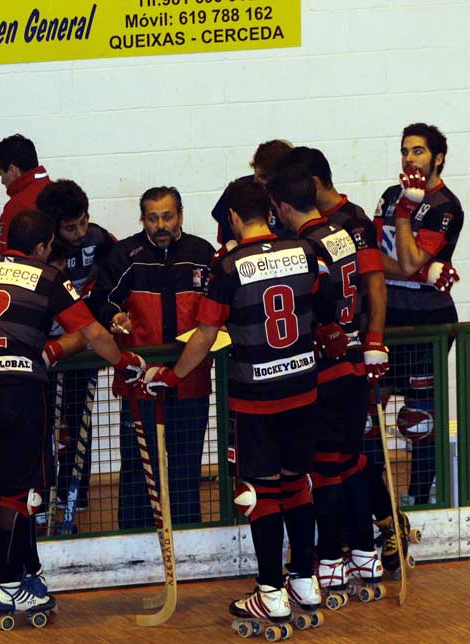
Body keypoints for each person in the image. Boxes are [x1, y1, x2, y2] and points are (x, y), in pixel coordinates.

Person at [142, 178, 340, 627]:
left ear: (232, 217)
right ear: (270, 209)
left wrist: (174, 376)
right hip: (304, 388)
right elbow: (329, 303)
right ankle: (304, 580)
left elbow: (207, 334)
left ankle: (270, 591)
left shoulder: (228, 266)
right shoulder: (306, 251)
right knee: (297, 482)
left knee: (259, 490)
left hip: (256, 396)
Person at [0, 209, 145, 622]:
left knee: (9, 490)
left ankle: (27, 574)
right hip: (19, 389)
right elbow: (94, 332)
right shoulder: (46, 277)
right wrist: (123, 362)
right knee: (22, 494)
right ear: (42, 246)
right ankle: (8, 586)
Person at [267, 162, 385, 604]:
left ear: (280, 206)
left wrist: (327, 326)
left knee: (327, 469)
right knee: (352, 461)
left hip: (325, 368)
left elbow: (314, 301)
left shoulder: (302, 246)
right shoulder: (341, 233)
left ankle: (330, 561)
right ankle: (365, 552)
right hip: (354, 362)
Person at [93, 186, 215, 529]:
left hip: (190, 381)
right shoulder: (124, 256)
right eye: (153, 218)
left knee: (186, 465)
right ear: (142, 219)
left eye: (167, 216)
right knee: (137, 465)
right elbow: (101, 302)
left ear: (180, 216)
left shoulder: (202, 254)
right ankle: (133, 537)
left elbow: (216, 312)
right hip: (139, 384)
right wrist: (113, 317)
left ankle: (188, 536)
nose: (160, 225)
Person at [372, 122, 463, 569]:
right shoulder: (389, 195)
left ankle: (420, 496)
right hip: (387, 318)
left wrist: (416, 269)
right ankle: (380, 504)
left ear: (438, 158)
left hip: (427, 320)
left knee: (419, 418)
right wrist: (422, 271)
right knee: (370, 413)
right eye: (405, 150)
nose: (410, 159)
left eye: (419, 152)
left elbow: (408, 258)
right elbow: (368, 254)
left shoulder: (446, 206)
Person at [36, 179, 116, 514]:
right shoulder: (39, 250)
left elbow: (115, 281)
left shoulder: (100, 239)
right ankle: (41, 495)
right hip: (46, 347)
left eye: (84, 221)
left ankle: (75, 494)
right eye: (71, 227)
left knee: (77, 421)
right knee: (43, 424)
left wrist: (109, 317)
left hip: (82, 345)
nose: (81, 231)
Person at [210, 140, 293, 244]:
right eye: (256, 174)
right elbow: (227, 240)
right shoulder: (239, 191)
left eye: (264, 177)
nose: (257, 180)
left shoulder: (294, 194)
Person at [0, 134, 51, 256]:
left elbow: (2, 255)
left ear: (13, 170)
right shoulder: (60, 192)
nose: (2, 181)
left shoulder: (18, 205)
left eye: (1, 174)